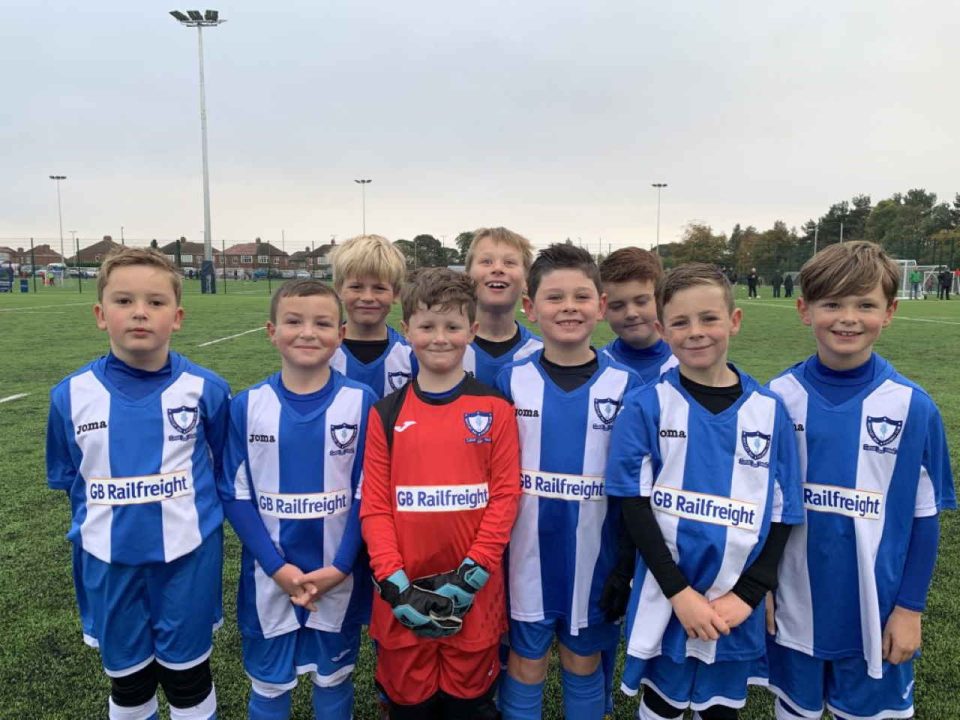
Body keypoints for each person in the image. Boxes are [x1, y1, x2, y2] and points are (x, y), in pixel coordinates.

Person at [604, 263, 803, 720]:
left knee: (719, 708)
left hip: (734, 603)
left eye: (709, 318)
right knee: (662, 703)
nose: (696, 332)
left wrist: (750, 594)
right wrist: (679, 593)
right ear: (661, 329)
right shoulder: (646, 404)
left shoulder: (769, 411)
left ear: (734, 320)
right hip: (666, 595)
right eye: (680, 322)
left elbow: (782, 512)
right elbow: (633, 507)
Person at [766, 241, 955, 720]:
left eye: (865, 305)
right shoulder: (774, 401)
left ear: (889, 312)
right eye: (832, 303)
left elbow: (924, 519)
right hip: (794, 606)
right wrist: (760, 588)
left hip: (877, 609)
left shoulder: (913, 407)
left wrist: (910, 610)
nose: (847, 318)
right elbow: (759, 509)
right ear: (804, 310)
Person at [46, 247, 230, 720]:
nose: (140, 312)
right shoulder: (69, 395)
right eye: (124, 301)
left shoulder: (207, 389)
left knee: (189, 678)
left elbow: (221, 466)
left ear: (178, 316)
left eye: (155, 302)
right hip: (108, 562)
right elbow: (69, 476)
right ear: (100, 315)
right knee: (128, 684)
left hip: (187, 559)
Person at [360, 268, 521, 719]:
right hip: (402, 597)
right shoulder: (386, 413)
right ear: (406, 328)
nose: (439, 338)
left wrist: (471, 575)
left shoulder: (494, 409)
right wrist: (394, 585)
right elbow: (374, 507)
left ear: (472, 330)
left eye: (452, 326)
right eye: (427, 326)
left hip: (474, 595)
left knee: (468, 706)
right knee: (410, 707)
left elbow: (505, 498)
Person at [495, 244, 643, 720]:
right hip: (524, 558)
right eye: (554, 297)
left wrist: (624, 565)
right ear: (530, 308)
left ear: (601, 306)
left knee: (584, 660)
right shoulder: (510, 379)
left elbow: (634, 487)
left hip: (595, 560)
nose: (569, 307)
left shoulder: (626, 386)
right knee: (525, 662)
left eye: (581, 297)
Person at [220, 280, 376, 720]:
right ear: (271, 331)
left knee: (334, 680)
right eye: (294, 321)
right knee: (269, 685)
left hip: (337, 575)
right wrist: (277, 567)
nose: (308, 332)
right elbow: (236, 495)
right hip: (269, 577)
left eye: (322, 323)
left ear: (341, 333)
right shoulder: (247, 405)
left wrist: (342, 566)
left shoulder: (361, 402)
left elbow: (370, 494)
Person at [330, 235, 415, 398]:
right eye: (356, 287)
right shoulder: (323, 352)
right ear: (339, 289)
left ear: (396, 293)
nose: (367, 297)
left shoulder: (410, 355)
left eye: (379, 288)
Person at [464, 227, 542, 385]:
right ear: (467, 275)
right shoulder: (442, 349)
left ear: (526, 280)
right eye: (486, 261)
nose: (498, 269)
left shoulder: (543, 354)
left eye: (509, 262)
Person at [599, 246, 678, 385]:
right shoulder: (595, 367)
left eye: (641, 302)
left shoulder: (687, 362)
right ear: (603, 308)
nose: (631, 313)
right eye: (617, 306)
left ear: (661, 299)